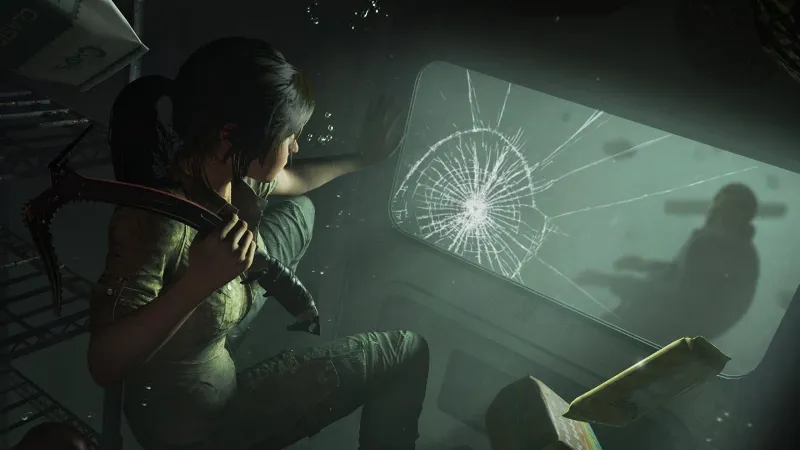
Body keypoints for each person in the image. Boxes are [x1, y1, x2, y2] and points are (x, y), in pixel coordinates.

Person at [88, 37, 430, 450]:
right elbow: (105, 364)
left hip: (215, 319)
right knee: (407, 352)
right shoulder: (158, 222)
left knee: (300, 211)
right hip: (201, 425)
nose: (296, 146)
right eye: (289, 136)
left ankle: (230, 317)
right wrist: (199, 283)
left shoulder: (225, 167)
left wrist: (364, 159)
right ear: (231, 134)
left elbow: (295, 179)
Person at [576, 183, 760, 345]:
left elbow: (676, 297)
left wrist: (609, 280)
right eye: (716, 203)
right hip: (662, 332)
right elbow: (681, 273)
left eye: (724, 207)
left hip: (647, 333)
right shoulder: (736, 248)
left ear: (740, 214)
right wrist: (643, 265)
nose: (714, 210)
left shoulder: (715, 245)